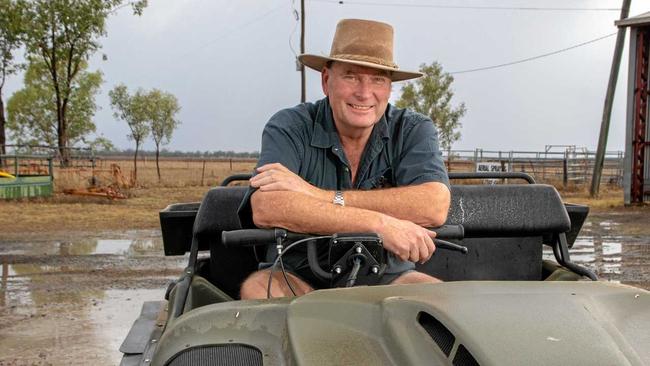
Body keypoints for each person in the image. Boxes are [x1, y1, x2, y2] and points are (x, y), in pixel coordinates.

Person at [238, 18, 450, 299]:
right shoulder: (290, 126)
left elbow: (434, 204)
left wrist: (314, 195)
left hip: (389, 277)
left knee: (439, 300)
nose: (364, 93)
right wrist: (379, 224)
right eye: (351, 76)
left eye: (377, 79)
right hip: (298, 274)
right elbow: (267, 206)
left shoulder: (412, 129)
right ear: (327, 80)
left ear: (389, 88)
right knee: (259, 289)